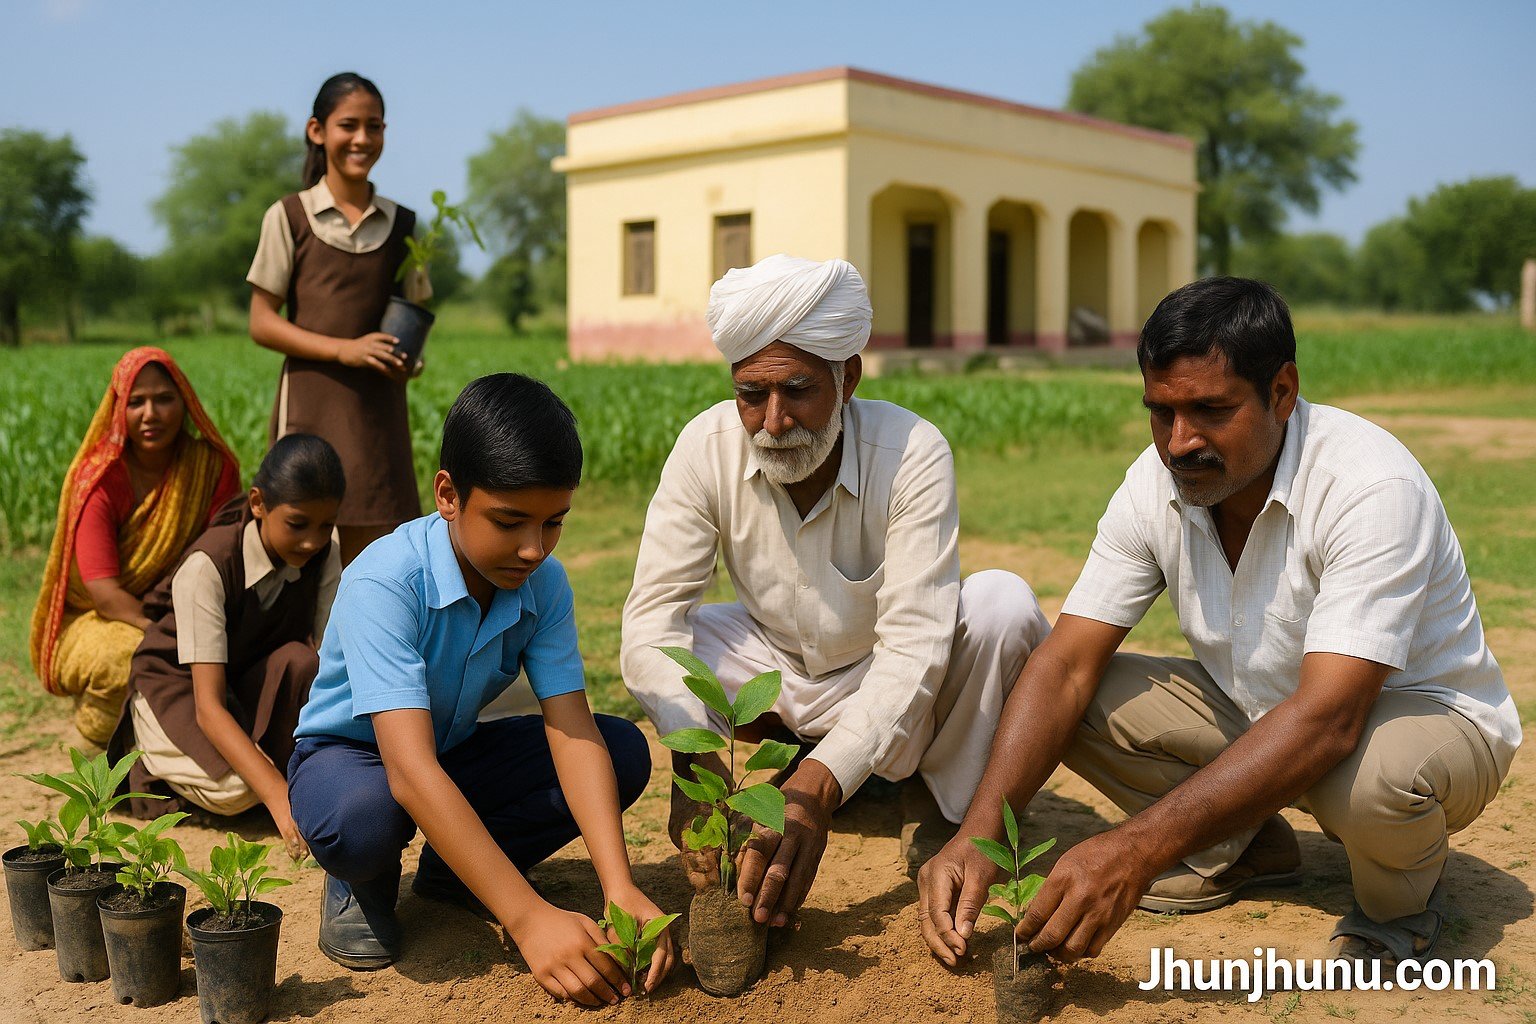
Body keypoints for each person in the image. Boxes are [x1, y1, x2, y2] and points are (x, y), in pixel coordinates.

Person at [918, 278, 1520, 969]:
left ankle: (1400, 907)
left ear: (1282, 392)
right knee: (1057, 690)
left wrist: (1136, 850)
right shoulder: (1155, 483)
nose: (1180, 443)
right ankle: (1246, 848)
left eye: (1210, 409)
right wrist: (979, 836)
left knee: (1368, 776)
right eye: (1161, 412)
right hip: (1269, 711)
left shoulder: (1370, 486)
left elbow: (1330, 720)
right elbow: (1066, 667)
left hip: (1422, 726)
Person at [622, 254, 1050, 930]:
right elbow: (652, 620)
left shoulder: (912, 452)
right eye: (751, 395)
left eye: (797, 390)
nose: (773, 422)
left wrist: (820, 789)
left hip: (881, 666)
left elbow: (914, 645)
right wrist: (692, 758)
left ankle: (944, 805)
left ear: (847, 377)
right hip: (775, 665)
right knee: (674, 643)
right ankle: (819, 760)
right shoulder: (705, 448)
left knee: (1002, 606)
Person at [286, 374, 671, 1005]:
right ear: (448, 494)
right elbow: (408, 771)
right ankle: (360, 880)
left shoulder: (543, 583)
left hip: (447, 751)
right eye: (510, 521)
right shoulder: (386, 581)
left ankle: (456, 873)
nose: (533, 549)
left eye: (553, 523)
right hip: (352, 761)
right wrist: (528, 918)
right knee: (365, 820)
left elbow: (571, 729)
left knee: (620, 750)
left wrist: (619, 887)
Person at [108, 435, 345, 857]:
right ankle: (146, 754)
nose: (312, 540)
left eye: (325, 526)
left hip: (246, 674)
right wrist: (277, 794)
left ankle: (257, 761)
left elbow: (330, 664)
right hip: (181, 686)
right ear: (258, 504)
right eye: (297, 524)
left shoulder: (326, 552)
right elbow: (208, 707)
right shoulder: (207, 567)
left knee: (302, 661)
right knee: (237, 792)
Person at [247, 71, 430, 565]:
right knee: (303, 549)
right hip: (310, 410)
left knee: (379, 559)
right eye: (349, 125)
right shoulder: (290, 216)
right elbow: (261, 322)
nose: (362, 139)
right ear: (317, 131)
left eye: (374, 126)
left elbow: (413, 316)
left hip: (377, 416)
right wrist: (345, 350)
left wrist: (408, 360)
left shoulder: (404, 225)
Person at [30, 347, 241, 746]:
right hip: (95, 617)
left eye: (164, 399)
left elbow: (224, 553)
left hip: (187, 607)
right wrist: (169, 634)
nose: (151, 414)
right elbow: (105, 594)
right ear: (117, 410)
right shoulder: (101, 480)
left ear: (185, 402)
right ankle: (99, 743)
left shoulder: (211, 469)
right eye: (136, 401)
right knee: (127, 658)